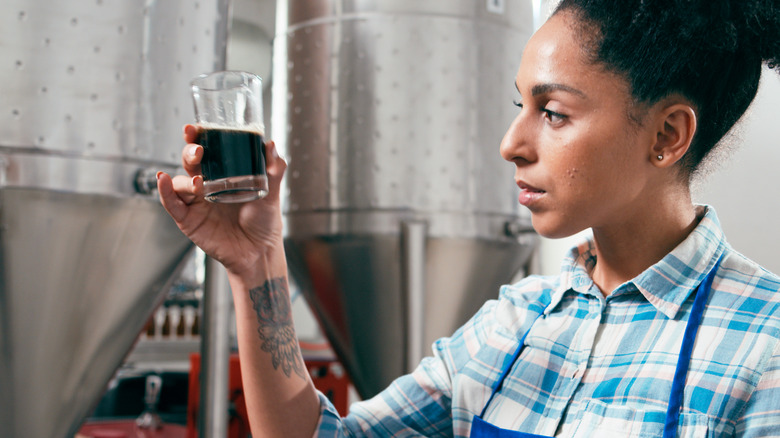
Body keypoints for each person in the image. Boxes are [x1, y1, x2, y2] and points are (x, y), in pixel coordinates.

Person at [156, 0, 780, 436]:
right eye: (520, 105)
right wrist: (256, 262)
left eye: (554, 113)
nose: (512, 143)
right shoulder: (512, 327)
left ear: (667, 135)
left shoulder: (763, 348)